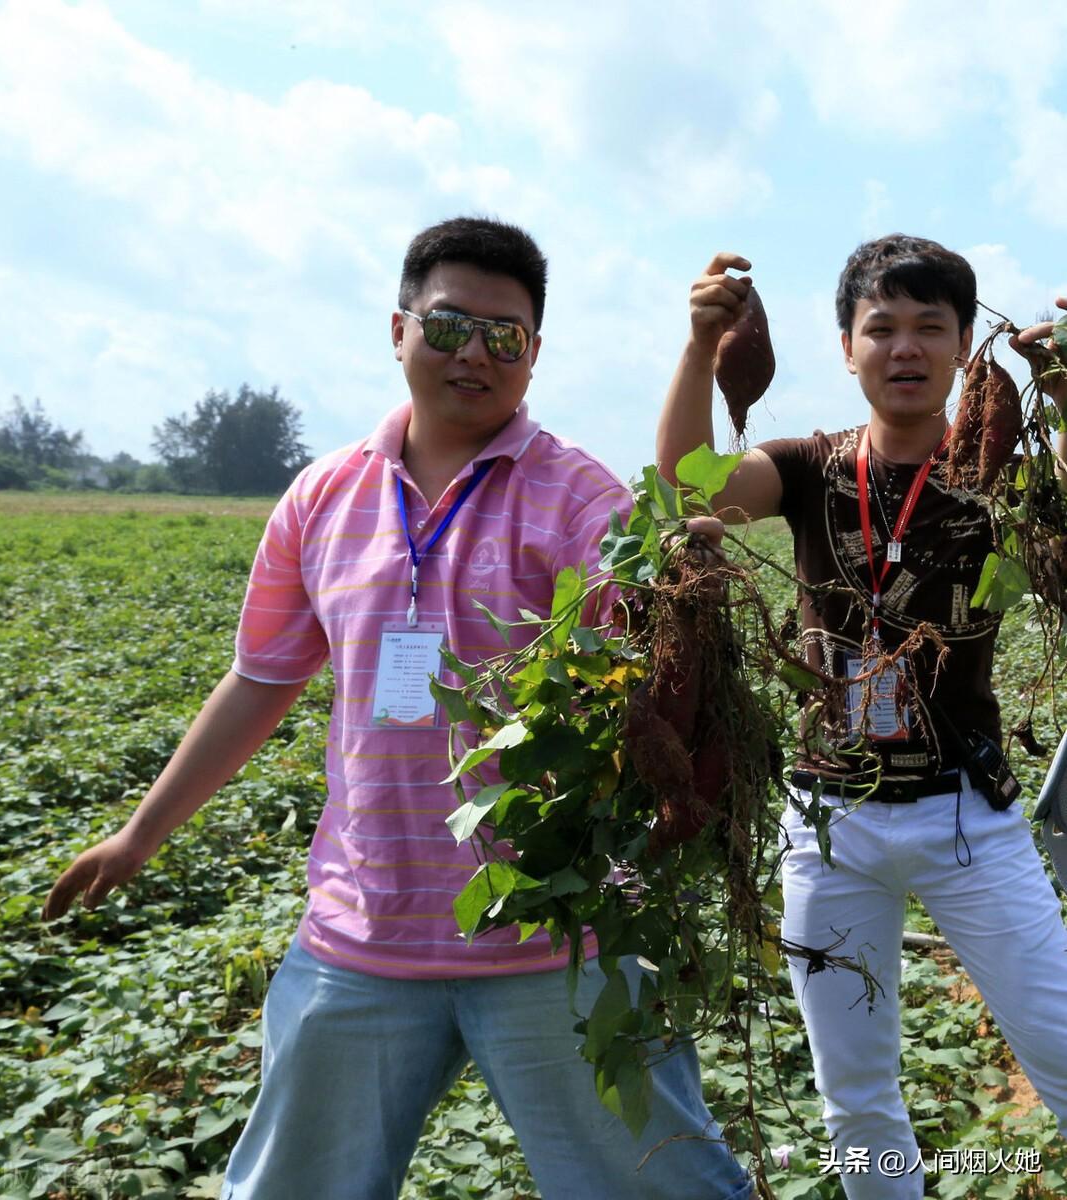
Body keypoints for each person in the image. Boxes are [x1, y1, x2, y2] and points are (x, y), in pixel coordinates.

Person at [44, 216, 753, 1200]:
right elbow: (259, 681)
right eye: (450, 325)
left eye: (504, 335)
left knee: (655, 1189)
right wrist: (139, 835)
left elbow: (651, 675)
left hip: (559, 938)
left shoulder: (580, 500)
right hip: (360, 934)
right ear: (398, 330)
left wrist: (682, 592)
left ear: (535, 354)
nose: (475, 354)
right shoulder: (322, 497)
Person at [656, 235, 1067, 1199]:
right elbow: (686, 490)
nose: (905, 347)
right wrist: (700, 346)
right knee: (854, 1094)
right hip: (828, 822)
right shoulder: (806, 466)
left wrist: (1063, 387)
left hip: (968, 816)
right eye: (881, 328)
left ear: (964, 345)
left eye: (931, 326)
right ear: (847, 348)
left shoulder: (996, 471)